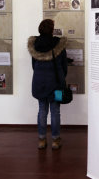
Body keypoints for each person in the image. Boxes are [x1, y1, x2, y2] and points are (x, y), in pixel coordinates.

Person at [27, 19, 67, 150]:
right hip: (56, 83)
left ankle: (41, 140)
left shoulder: (35, 44)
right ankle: (55, 141)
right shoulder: (58, 44)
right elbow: (64, 66)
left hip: (39, 83)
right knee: (56, 111)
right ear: (51, 29)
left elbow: (34, 66)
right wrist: (61, 78)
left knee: (42, 110)